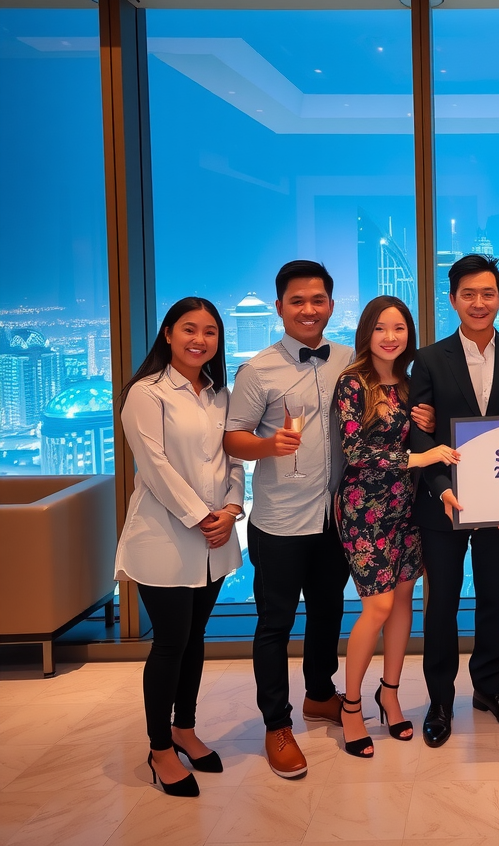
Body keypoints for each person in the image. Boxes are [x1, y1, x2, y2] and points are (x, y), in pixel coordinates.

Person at [223, 260, 355, 779]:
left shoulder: (348, 359)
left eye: (317, 299)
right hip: (279, 520)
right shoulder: (258, 370)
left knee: (327, 611)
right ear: (280, 308)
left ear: (330, 305)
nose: (308, 309)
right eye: (297, 301)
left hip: (334, 516)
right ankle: (276, 723)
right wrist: (266, 444)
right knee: (274, 624)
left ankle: (319, 694)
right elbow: (233, 437)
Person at [114, 298, 244, 797]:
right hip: (164, 538)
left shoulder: (219, 394)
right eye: (190, 329)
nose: (200, 340)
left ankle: (184, 728)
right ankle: (159, 747)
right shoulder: (145, 393)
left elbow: (233, 459)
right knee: (170, 641)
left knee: (195, 638)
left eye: (210, 331)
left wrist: (231, 512)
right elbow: (154, 466)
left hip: (215, 537)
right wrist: (202, 516)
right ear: (168, 334)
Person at [409, 254, 499, 747]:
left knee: (495, 600)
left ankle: (488, 689)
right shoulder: (429, 358)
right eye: (468, 294)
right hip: (443, 504)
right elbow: (419, 436)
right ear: (453, 299)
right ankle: (440, 699)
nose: (479, 303)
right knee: (441, 605)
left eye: (488, 294)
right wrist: (441, 488)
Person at [333, 296, 459, 757]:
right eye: (381, 328)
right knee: (379, 607)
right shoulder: (353, 383)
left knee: (405, 600)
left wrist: (426, 424)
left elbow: (434, 433)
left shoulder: (409, 387)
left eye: (400, 328)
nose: (391, 336)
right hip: (364, 510)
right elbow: (355, 453)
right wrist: (418, 455)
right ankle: (350, 706)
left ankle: (389, 693)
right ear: (367, 331)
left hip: (407, 508)